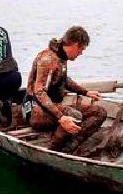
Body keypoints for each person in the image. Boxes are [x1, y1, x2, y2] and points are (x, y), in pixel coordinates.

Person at [25, 26, 106, 154]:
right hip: (36, 111)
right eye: (81, 49)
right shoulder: (48, 59)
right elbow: (39, 93)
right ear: (75, 45)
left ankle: (71, 145)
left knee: (99, 112)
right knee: (73, 115)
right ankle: (52, 150)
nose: (81, 53)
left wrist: (85, 92)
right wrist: (61, 117)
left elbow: (63, 79)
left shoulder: (61, 57)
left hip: (53, 107)